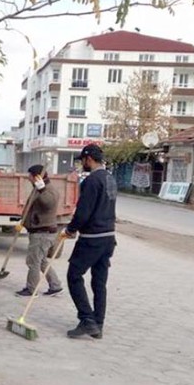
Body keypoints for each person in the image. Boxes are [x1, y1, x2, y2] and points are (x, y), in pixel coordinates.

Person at [63, 144, 117, 340]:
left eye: (82, 160)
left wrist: (70, 229)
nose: (82, 164)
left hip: (92, 238)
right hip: (109, 238)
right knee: (99, 282)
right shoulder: (110, 178)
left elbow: (83, 212)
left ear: (89, 159)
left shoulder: (92, 181)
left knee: (74, 275)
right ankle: (98, 323)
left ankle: (87, 320)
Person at [16, 165, 64, 297]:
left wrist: (42, 188)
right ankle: (56, 285)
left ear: (37, 176)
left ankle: (32, 289)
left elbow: (48, 203)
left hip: (43, 232)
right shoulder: (38, 188)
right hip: (38, 231)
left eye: (30, 175)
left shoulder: (48, 190)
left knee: (33, 261)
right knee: (41, 261)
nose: (28, 178)